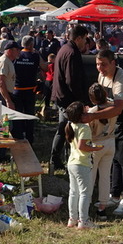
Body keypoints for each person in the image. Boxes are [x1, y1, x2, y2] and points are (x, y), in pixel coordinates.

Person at [82, 49, 123, 216]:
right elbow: (103, 102)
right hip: (116, 119)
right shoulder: (102, 76)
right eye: (97, 64)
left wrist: (92, 116)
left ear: (113, 63)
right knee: (116, 157)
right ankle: (115, 195)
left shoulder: (122, 79)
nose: (100, 68)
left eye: (103, 64)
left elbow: (117, 108)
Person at [49, 26, 90, 174]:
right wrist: (81, 100)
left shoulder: (64, 48)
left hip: (61, 96)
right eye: (84, 39)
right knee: (68, 131)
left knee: (62, 130)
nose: (85, 42)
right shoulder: (72, 53)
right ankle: (65, 162)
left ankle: (55, 160)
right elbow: (71, 80)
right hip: (68, 99)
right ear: (78, 38)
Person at [64, 101, 103, 229]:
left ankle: (72, 219)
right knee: (85, 193)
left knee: (73, 192)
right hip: (82, 164)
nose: (87, 112)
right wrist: (95, 149)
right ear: (81, 115)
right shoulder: (84, 128)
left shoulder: (71, 125)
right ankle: (84, 221)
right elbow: (82, 146)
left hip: (72, 163)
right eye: (85, 111)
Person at [87, 83, 117, 221]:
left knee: (90, 177)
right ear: (105, 94)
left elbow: (88, 132)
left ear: (92, 99)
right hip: (110, 142)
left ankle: (86, 205)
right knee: (105, 176)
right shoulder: (113, 105)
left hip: (96, 144)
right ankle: (102, 208)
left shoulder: (92, 112)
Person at [12, 35, 46, 143]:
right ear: (31, 45)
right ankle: (29, 138)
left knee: (17, 115)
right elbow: (45, 67)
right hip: (30, 90)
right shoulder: (35, 56)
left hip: (16, 89)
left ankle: (18, 137)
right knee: (29, 115)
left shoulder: (17, 55)